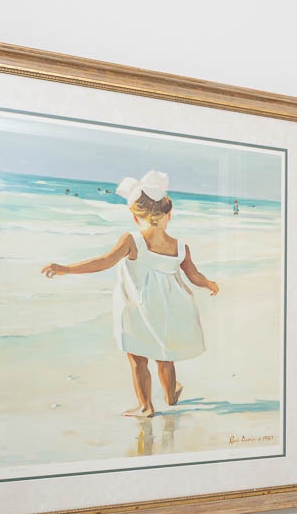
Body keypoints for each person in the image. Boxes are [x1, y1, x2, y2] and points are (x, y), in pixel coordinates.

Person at [41, 170, 219, 418]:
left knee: (138, 359)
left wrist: (67, 269)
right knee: (165, 356)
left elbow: (104, 262)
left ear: (136, 217)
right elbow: (194, 275)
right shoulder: (180, 246)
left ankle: (146, 407)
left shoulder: (132, 240)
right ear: (169, 214)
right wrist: (209, 284)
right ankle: (170, 396)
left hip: (138, 308)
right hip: (169, 308)